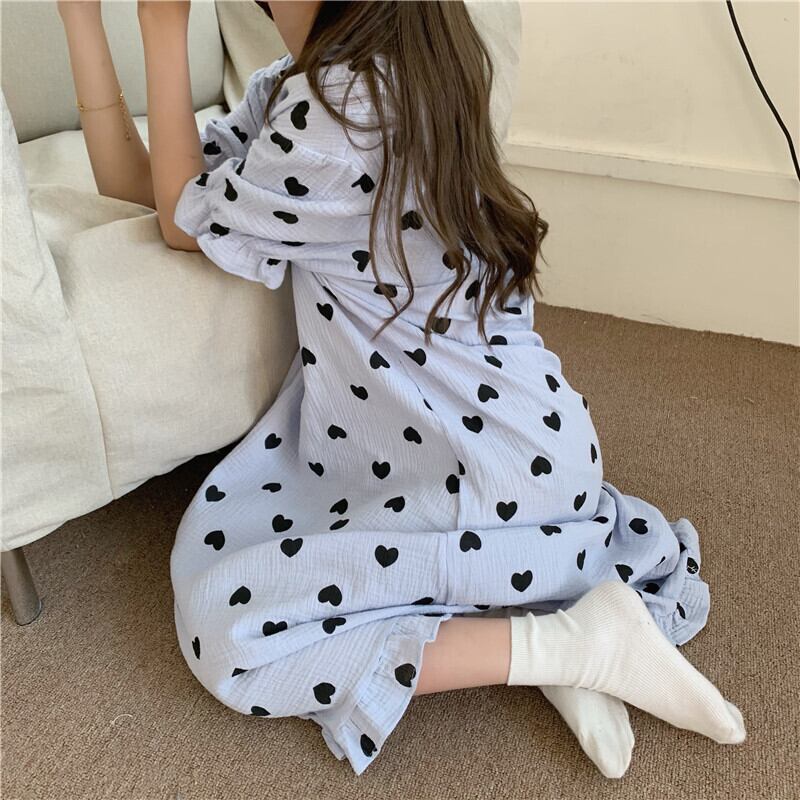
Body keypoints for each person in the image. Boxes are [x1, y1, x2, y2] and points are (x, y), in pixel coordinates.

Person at [58, 0, 746, 780]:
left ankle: (566, 646)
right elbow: (153, 188)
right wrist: (81, 18)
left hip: (473, 473)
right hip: (527, 452)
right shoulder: (337, 82)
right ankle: (551, 616)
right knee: (292, 548)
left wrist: (161, 30)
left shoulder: (337, 110)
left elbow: (182, 224)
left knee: (232, 637)